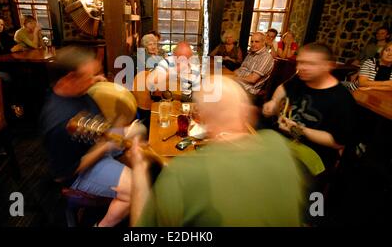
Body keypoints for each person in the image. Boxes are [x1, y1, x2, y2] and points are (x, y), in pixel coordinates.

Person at [130, 75, 304, 226]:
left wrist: (139, 170)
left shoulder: (182, 172)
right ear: (248, 112)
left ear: (200, 118)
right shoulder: (278, 146)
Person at [40, 46, 132, 227]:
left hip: (99, 138)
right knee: (135, 189)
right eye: (89, 77)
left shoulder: (74, 90)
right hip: (81, 169)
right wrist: (104, 147)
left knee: (139, 132)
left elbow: (90, 83)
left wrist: (97, 80)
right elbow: (62, 174)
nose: (94, 81)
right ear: (69, 79)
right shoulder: (60, 121)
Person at [262, 43, 358, 173]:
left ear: (328, 66)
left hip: (313, 152)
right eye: (300, 62)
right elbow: (283, 88)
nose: (301, 68)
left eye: (310, 64)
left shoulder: (342, 99)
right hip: (283, 137)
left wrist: (297, 129)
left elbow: (338, 142)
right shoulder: (300, 79)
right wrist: (274, 102)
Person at [234, 32, 274, 97]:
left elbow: (253, 79)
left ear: (263, 42)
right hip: (238, 84)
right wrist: (230, 75)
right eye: (252, 41)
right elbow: (241, 69)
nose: (253, 44)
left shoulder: (266, 57)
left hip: (248, 90)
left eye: (256, 42)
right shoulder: (251, 53)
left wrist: (235, 78)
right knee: (217, 81)